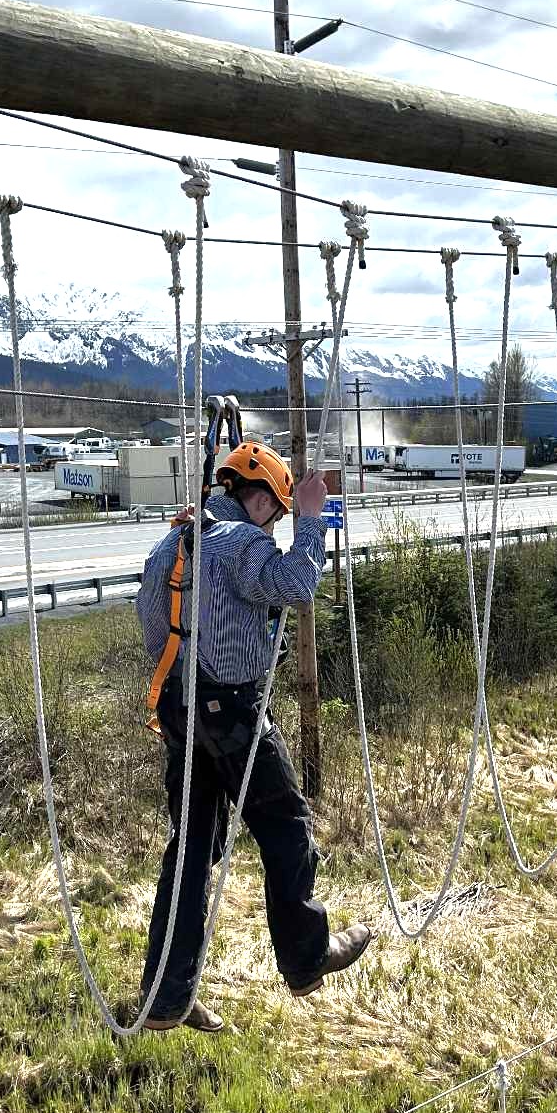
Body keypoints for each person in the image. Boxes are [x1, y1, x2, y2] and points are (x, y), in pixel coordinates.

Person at [133, 438, 370, 1034]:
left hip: (181, 709)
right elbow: (296, 585)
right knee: (287, 827)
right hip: (233, 712)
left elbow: (148, 611)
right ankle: (305, 957)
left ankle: (166, 996)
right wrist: (313, 521)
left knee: (191, 847)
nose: (278, 521)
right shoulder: (242, 543)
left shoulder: (178, 540)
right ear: (262, 500)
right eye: (280, 511)